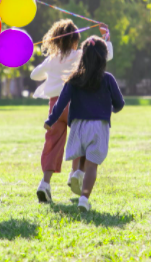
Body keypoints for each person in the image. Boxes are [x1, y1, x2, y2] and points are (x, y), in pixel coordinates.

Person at [31, 19, 113, 203]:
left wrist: (50, 70)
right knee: (82, 139)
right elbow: (106, 56)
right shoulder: (79, 55)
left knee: (52, 143)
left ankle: (45, 183)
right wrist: (106, 38)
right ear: (75, 41)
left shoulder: (51, 59)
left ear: (56, 40)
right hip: (75, 104)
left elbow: (34, 75)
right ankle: (76, 173)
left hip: (55, 106)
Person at [44, 36, 124, 211]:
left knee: (82, 154)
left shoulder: (74, 79)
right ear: (103, 58)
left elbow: (61, 102)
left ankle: (78, 173)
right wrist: (111, 109)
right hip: (99, 126)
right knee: (92, 165)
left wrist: (51, 120)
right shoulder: (108, 78)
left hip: (78, 125)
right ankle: (84, 199)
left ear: (83, 56)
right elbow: (120, 103)